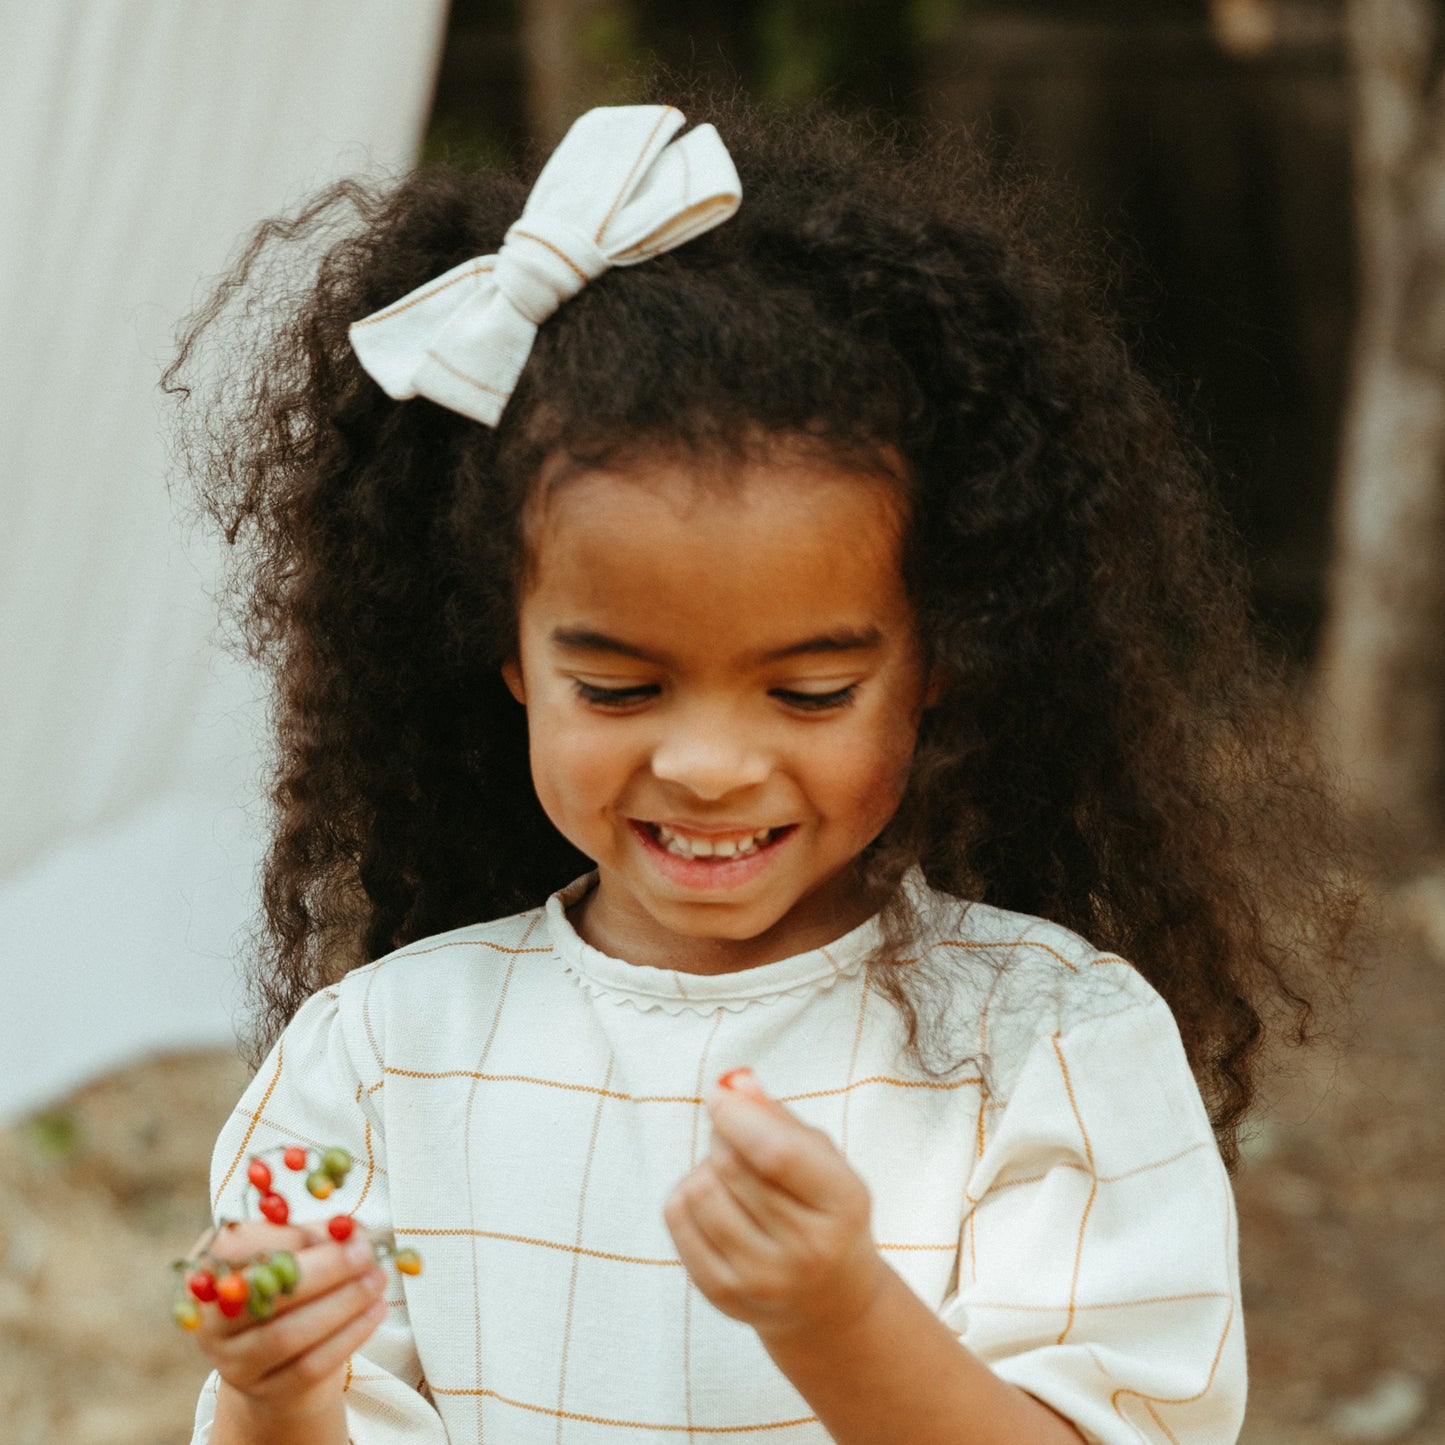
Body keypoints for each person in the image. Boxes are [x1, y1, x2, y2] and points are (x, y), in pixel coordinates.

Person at [171, 96, 1354, 1445]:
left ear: (938, 663)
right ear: (507, 654)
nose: (711, 763)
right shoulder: (383, 1056)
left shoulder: (1047, 1043)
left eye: (809, 690)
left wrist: (839, 1321)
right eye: (617, 686)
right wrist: (278, 1388)